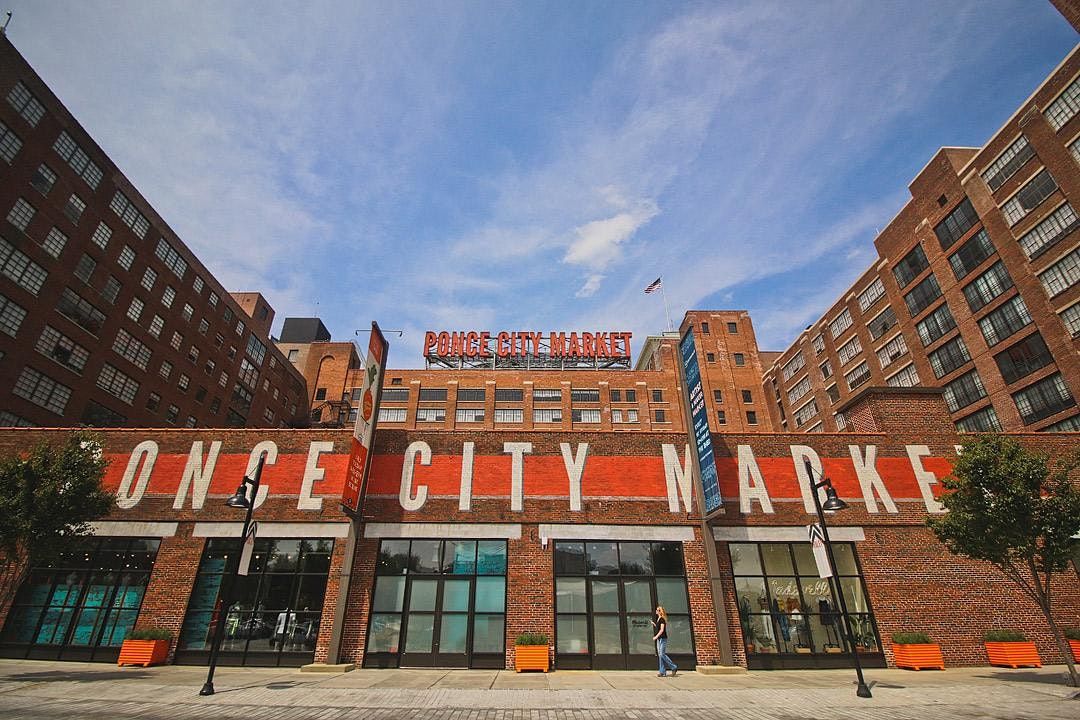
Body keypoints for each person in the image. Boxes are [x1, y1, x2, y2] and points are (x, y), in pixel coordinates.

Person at [652, 605, 678, 677]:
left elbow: (662, 630)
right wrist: (654, 624)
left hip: (662, 639)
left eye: (657, 610)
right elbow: (658, 627)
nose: (656, 611)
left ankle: (674, 667)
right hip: (659, 639)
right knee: (660, 656)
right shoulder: (658, 619)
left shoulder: (662, 619)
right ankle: (662, 671)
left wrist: (656, 636)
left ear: (660, 612)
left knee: (662, 654)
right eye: (656, 610)